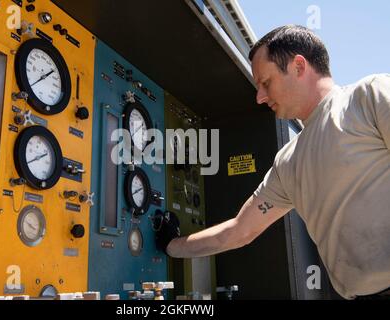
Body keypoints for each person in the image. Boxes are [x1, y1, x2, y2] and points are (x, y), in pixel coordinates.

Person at [155, 25, 390, 300]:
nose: (259, 97)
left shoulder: (368, 96)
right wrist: (171, 246)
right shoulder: (288, 162)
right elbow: (238, 231)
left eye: (266, 83)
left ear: (299, 66)